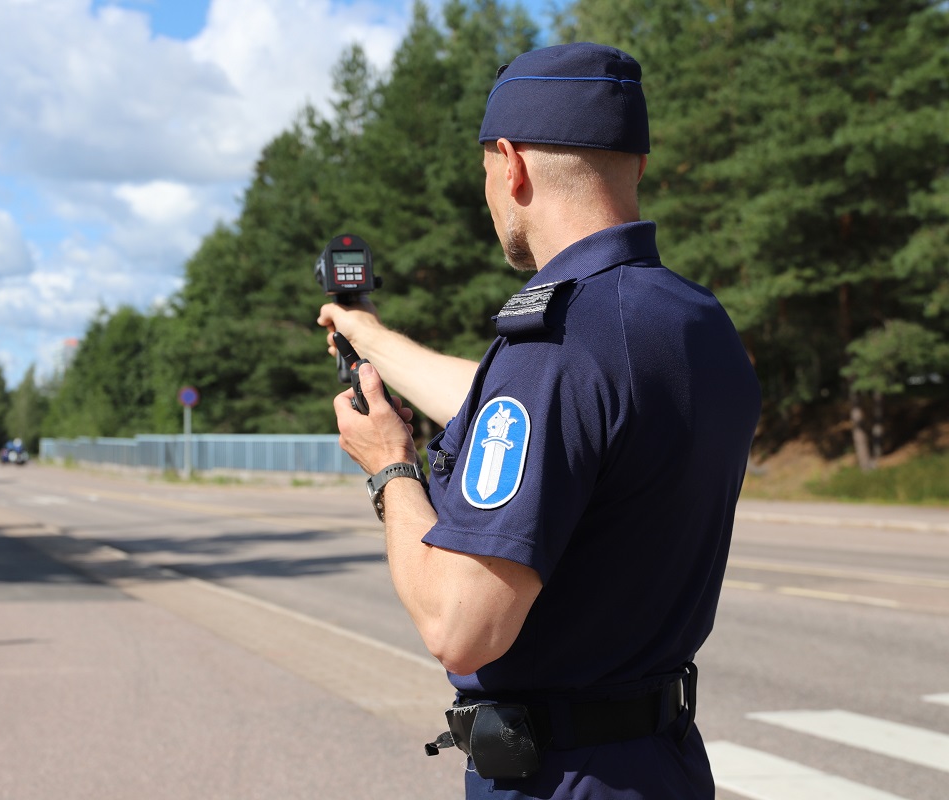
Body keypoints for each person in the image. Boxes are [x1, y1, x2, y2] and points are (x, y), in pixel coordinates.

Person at [317, 42, 761, 800]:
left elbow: (459, 624)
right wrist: (373, 339)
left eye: (487, 171)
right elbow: (561, 420)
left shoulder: (555, 345)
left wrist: (391, 466)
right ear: (637, 163)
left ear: (512, 164)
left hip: (562, 777)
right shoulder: (691, 321)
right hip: (665, 765)